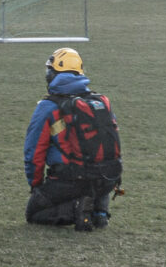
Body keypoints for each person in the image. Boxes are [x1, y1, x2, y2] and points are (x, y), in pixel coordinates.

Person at [24, 47, 123, 231]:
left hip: (71, 179)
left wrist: (36, 185)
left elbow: (34, 153)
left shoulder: (48, 106)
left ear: (54, 75)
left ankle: (78, 208)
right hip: (107, 177)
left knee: (34, 213)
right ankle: (99, 212)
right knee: (94, 175)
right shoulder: (99, 102)